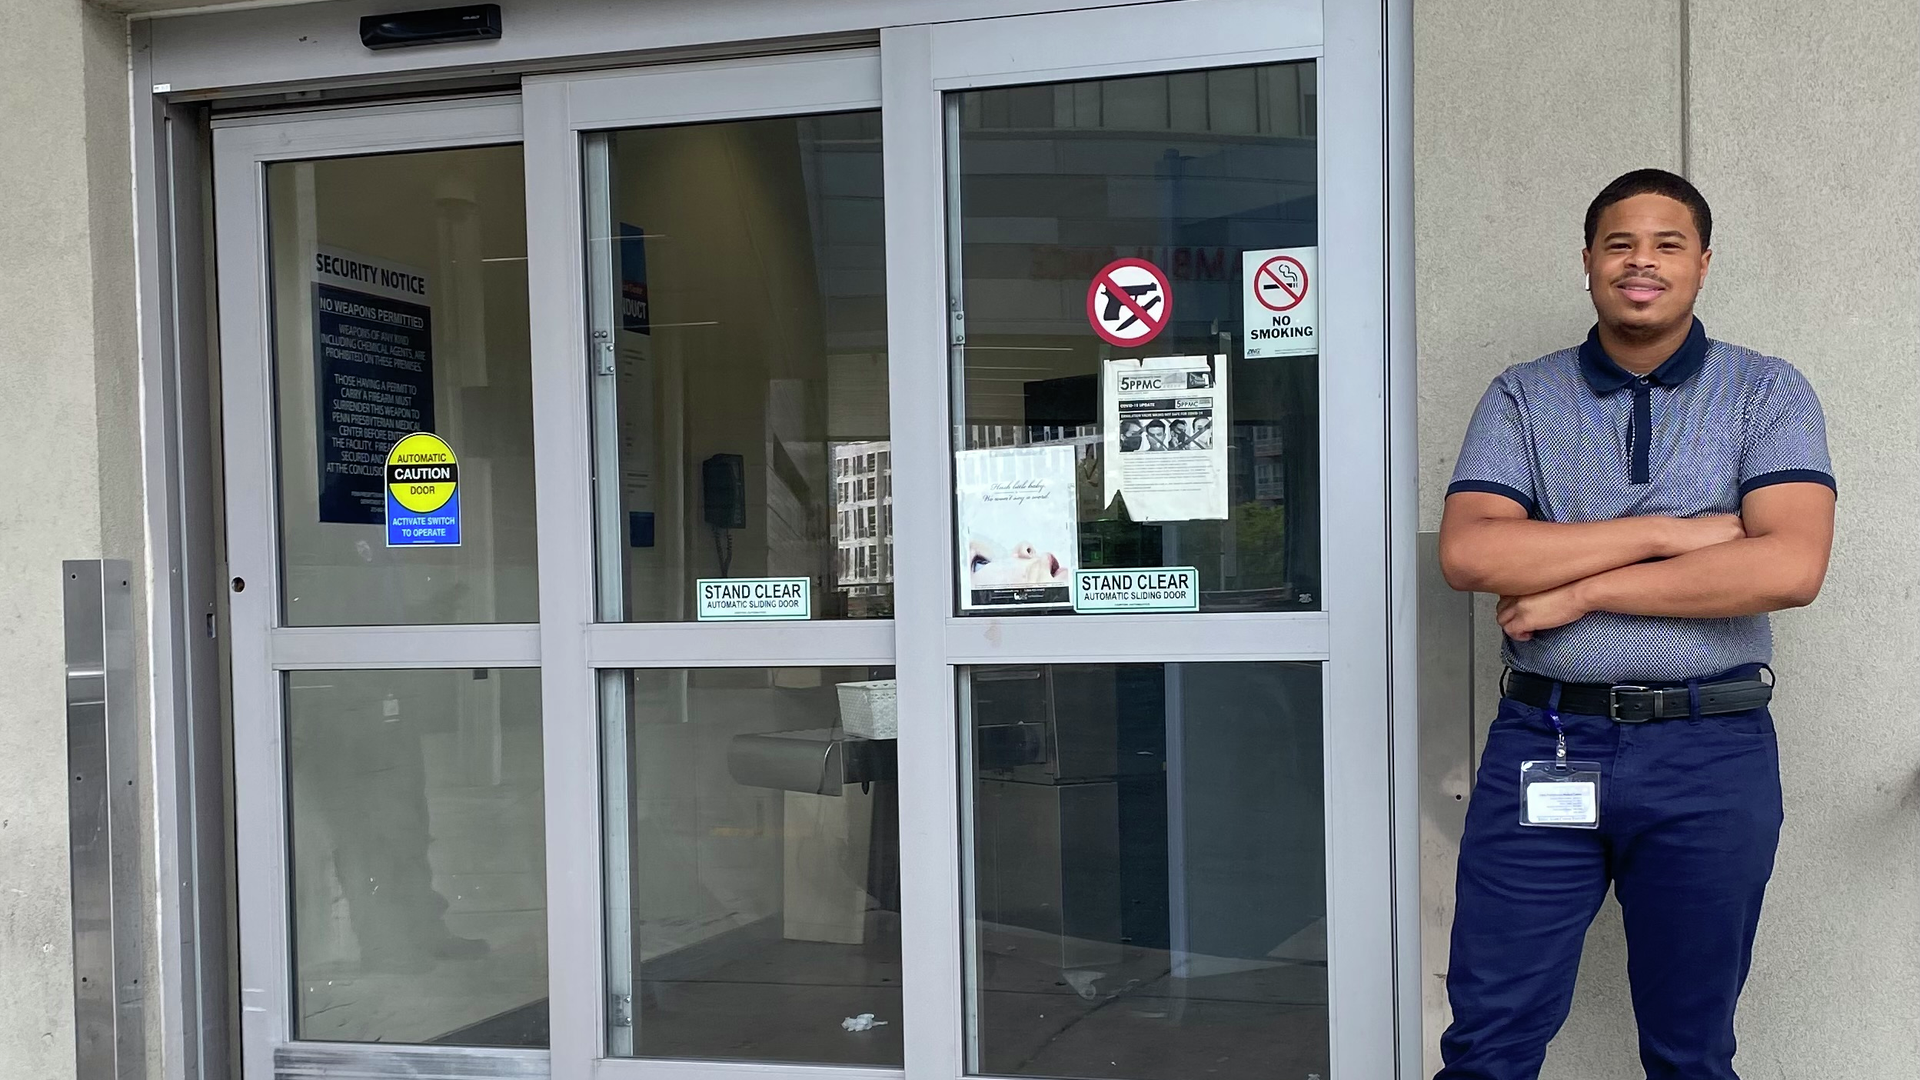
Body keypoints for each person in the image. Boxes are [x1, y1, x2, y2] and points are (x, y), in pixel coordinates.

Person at [1435, 169, 1835, 1080]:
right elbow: (1472, 554)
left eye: (1667, 244)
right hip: (1548, 738)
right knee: (1489, 1039)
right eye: (1620, 244)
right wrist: (1667, 533)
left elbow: (1787, 566)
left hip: (1712, 747)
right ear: (1587, 263)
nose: (1641, 263)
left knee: (1692, 1052)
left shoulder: (1766, 393)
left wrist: (1577, 591)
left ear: (1701, 263)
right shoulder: (1522, 398)